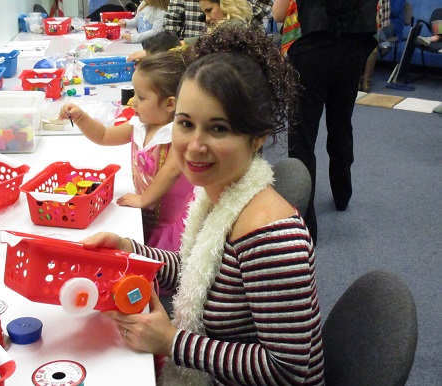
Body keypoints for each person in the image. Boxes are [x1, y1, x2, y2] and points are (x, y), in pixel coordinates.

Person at [81, 26, 324, 385]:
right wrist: (130, 251)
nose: (194, 146)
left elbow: (294, 372)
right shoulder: (220, 193)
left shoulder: (271, 238)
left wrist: (171, 341)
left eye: (219, 128)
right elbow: (201, 274)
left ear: (257, 138)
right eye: (185, 123)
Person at [59, 51, 193, 252]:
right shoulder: (139, 125)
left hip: (168, 225)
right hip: (145, 214)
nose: (132, 101)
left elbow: (171, 171)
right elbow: (104, 135)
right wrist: (81, 118)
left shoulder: (177, 135)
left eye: (141, 96)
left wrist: (144, 199)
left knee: (162, 269)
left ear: (169, 104)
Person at [273, 0, 378, 244]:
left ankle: (307, 220)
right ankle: (342, 195)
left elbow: (279, 13)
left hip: (311, 48)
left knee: (303, 134)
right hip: (353, 46)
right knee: (342, 123)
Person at [182, 0, 253, 45]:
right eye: (204, 13)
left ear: (225, 3)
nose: (207, 18)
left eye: (209, 10)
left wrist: (184, 43)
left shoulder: (237, 25)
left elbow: (215, 38)